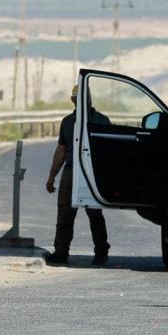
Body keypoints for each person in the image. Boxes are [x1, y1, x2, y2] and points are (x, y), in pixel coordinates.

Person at [44, 85, 111, 266]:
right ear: (73, 100)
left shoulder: (102, 121)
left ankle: (101, 252)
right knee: (64, 213)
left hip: (92, 172)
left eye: (84, 96)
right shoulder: (67, 122)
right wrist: (52, 176)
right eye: (78, 97)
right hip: (71, 171)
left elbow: (109, 152)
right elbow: (61, 150)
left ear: (89, 98)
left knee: (95, 213)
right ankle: (61, 253)